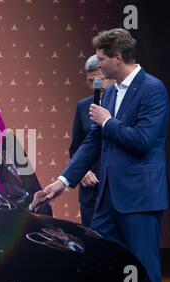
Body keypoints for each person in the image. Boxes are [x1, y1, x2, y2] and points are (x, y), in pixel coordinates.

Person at [32, 28, 170, 282]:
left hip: (140, 198)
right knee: (103, 262)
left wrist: (108, 121)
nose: (98, 64)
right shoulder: (108, 94)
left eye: (101, 59)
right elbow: (92, 143)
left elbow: (143, 141)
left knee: (143, 267)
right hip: (107, 201)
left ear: (118, 58)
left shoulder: (153, 89)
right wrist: (63, 182)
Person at [70, 55, 115, 227]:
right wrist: (82, 171)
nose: (98, 86)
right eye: (91, 81)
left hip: (118, 190)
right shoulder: (83, 106)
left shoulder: (123, 104)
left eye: (101, 80)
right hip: (91, 193)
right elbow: (75, 148)